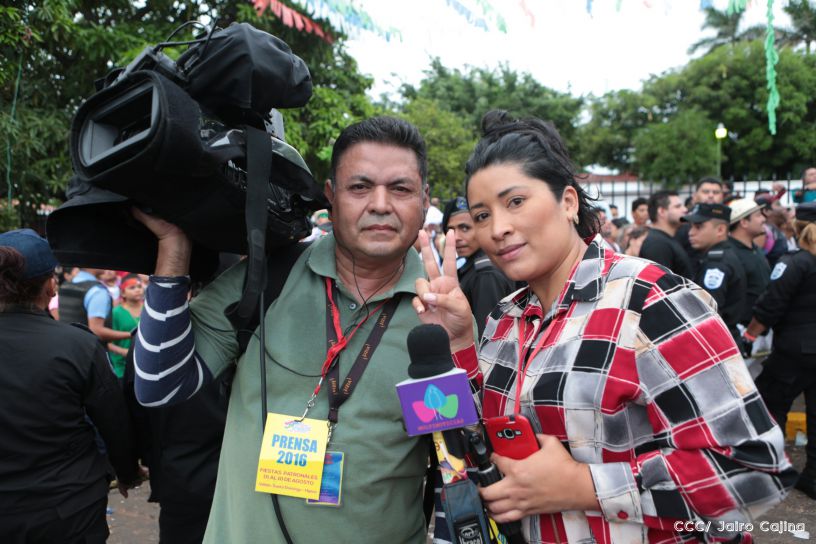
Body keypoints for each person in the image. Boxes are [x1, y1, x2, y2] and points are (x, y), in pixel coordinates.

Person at [412, 111, 794, 543]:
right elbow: (480, 439)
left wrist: (582, 485)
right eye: (481, 216)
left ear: (569, 202)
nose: (498, 228)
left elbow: (753, 468)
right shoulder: (506, 317)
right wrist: (460, 340)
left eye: (515, 202)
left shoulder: (651, 301)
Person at [132, 117, 436, 543]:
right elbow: (158, 384)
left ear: (424, 199)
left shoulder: (440, 312)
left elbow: (458, 459)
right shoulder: (271, 277)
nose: (380, 204)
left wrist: (456, 349)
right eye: (360, 187)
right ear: (331, 198)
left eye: (400, 189)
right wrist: (173, 254)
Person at [0, 229, 141, 543]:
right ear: (51, 285)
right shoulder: (78, 345)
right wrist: (127, 472)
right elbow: (114, 421)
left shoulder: (78, 344)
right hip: (67, 508)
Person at [744, 202, 816, 500]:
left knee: (768, 405)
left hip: (795, 350)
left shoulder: (795, 261)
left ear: (796, 227)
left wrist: (750, 334)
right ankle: (812, 477)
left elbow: (771, 304)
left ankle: (768, 471)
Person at [441, 195, 515, 337]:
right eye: (450, 230)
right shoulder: (473, 267)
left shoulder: (485, 274)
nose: (456, 237)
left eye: (465, 228)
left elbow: (487, 337)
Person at [684, 203, 747, 347]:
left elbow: (707, 311)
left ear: (720, 229)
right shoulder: (722, 255)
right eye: (691, 226)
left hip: (716, 342)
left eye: (698, 227)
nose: (691, 232)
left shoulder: (716, 263)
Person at [727, 198, 770, 328]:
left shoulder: (754, 249)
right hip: (742, 328)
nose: (763, 219)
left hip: (760, 327)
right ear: (744, 222)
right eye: (758, 215)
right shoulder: (730, 253)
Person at [59, 267, 131, 343]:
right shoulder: (97, 291)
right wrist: (130, 335)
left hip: (66, 345)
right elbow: (96, 331)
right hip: (88, 349)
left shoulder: (65, 285)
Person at [639, 190, 693, 278]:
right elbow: (662, 284)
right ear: (662, 211)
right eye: (678, 206)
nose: (685, 210)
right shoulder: (657, 244)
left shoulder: (664, 239)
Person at [675, 177, 724, 271]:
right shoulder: (683, 223)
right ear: (694, 196)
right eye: (705, 192)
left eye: (716, 192)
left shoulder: (728, 222)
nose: (711, 195)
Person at [108, 274, 144, 380]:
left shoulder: (148, 309)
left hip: (145, 364)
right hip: (122, 366)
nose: (137, 290)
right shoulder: (116, 312)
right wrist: (124, 352)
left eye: (139, 286)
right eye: (132, 288)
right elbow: (108, 343)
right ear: (123, 292)